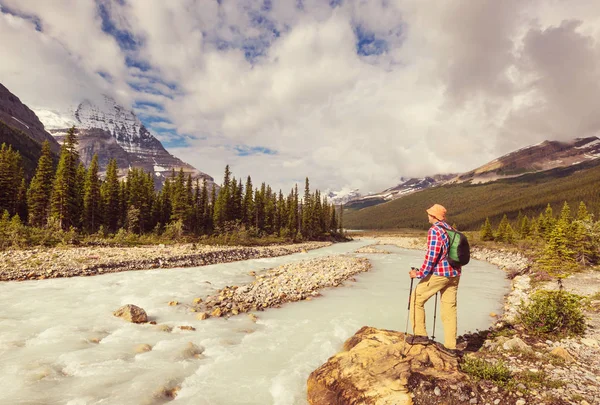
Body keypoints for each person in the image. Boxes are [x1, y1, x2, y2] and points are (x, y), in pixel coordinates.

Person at [407, 204, 461, 356]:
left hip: (440, 274)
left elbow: (432, 256)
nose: (428, 216)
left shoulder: (435, 230)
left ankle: (420, 335)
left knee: (416, 299)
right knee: (449, 309)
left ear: (435, 216)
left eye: (430, 214)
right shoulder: (452, 230)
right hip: (454, 274)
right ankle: (451, 347)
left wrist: (419, 274)